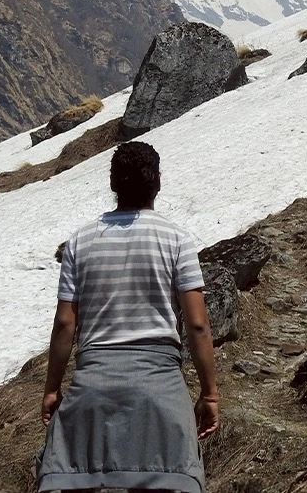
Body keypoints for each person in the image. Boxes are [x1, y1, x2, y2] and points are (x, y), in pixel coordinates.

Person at [36, 141, 219, 493]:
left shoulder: (80, 241)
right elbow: (197, 324)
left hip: (91, 388)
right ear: (159, 182)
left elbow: (65, 324)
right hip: (161, 393)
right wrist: (209, 394)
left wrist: (52, 388)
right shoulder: (177, 239)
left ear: (113, 184)